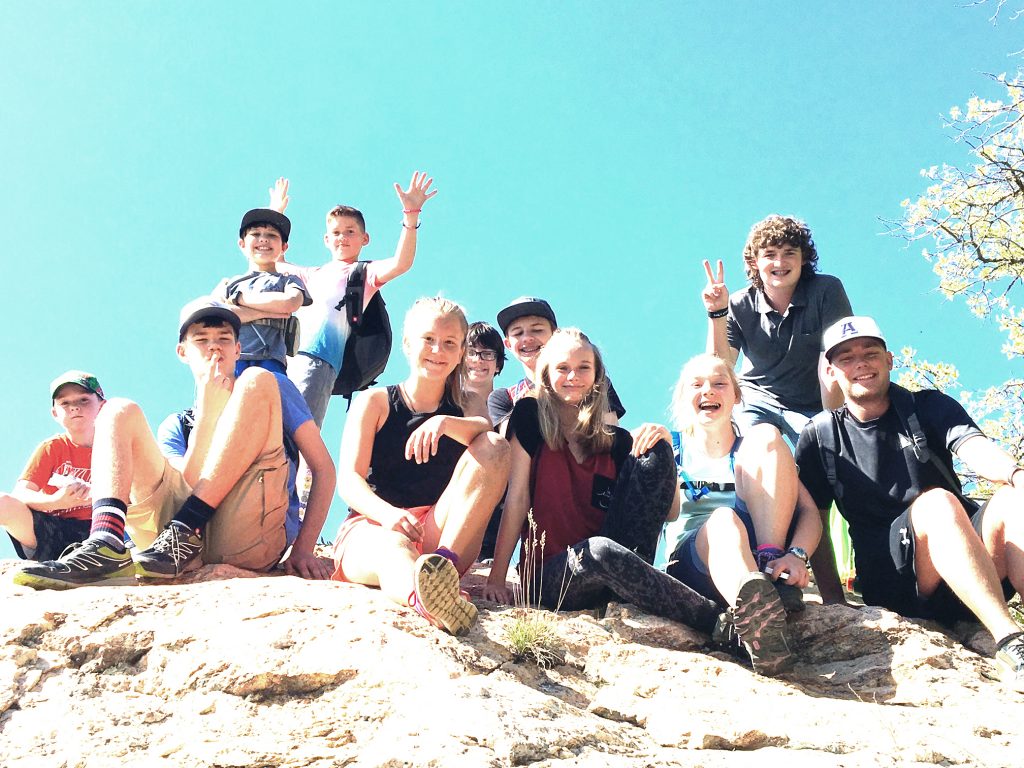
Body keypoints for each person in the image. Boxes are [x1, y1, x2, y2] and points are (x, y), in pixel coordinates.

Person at [13, 298, 336, 589]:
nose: (214, 347)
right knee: (118, 409)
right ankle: (106, 542)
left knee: (257, 378)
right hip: (173, 547)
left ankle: (184, 529)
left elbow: (322, 467)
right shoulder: (178, 424)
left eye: (224, 339)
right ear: (182, 352)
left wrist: (304, 548)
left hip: (247, 536)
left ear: (238, 349)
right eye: (201, 340)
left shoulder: (270, 388)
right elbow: (187, 485)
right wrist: (207, 414)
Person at [795, 316, 1024, 689]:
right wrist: (833, 599)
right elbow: (813, 517)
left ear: (889, 360)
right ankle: (1011, 644)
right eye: (847, 358)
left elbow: (974, 448)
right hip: (897, 582)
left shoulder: (927, 407)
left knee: (1015, 499)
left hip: (971, 564)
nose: (861, 364)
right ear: (831, 372)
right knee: (938, 504)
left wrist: (1017, 475)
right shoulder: (820, 437)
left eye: (870, 353)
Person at [482, 329, 721, 640]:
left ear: (597, 376)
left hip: (619, 567)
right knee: (599, 551)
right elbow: (517, 498)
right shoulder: (530, 417)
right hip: (553, 577)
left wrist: (664, 444)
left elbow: (671, 513)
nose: (573, 376)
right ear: (546, 374)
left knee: (655, 448)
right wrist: (497, 577)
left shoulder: (616, 443)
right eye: (563, 368)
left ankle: (635, 590)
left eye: (583, 367)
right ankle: (718, 622)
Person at [632, 354, 823, 675]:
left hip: (760, 558)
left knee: (767, 434)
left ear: (736, 396)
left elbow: (808, 513)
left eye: (719, 383)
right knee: (724, 521)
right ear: (682, 398)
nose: (708, 390)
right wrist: (659, 457)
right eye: (696, 385)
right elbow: (660, 514)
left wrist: (796, 555)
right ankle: (757, 623)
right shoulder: (672, 447)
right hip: (694, 564)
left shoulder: (758, 450)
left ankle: (768, 579)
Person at [331, 297, 510, 635]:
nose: (438, 350)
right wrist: (388, 515)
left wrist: (444, 422)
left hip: (441, 536)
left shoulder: (468, 404)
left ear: (461, 352)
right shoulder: (375, 402)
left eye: (450, 343)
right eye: (428, 339)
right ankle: (426, 599)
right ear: (407, 343)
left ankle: (442, 571)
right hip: (373, 527)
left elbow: (490, 444)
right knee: (394, 548)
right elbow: (350, 481)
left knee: (495, 446)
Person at [269, 173, 437, 427]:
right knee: (273, 427)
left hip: (320, 360)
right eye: (336, 232)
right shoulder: (311, 275)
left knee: (299, 430)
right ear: (327, 240)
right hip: (287, 359)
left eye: (350, 232)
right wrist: (276, 213)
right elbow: (274, 262)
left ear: (364, 239)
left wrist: (411, 216)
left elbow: (401, 263)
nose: (342, 237)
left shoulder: (362, 274)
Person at [702, 214, 852, 444]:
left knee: (823, 454)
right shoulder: (739, 304)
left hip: (812, 403)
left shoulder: (826, 290)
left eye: (789, 253)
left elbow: (834, 363)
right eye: (770, 255)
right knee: (757, 446)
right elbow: (719, 368)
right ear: (755, 262)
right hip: (756, 398)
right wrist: (717, 312)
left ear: (803, 258)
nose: (780, 263)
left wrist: (831, 425)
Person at [1, 371, 106, 562]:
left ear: (102, 406)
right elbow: (21, 493)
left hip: (104, 529)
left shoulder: (116, 447)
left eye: (83, 400)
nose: (74, 407)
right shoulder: (52, 448)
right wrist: (57, 502)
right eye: (64, 403)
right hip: (53, 531)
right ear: (55, 413)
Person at [486, 297, 626, 433]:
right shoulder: (506, 398)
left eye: (537, 330)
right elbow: (508, 443)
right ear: (508, 345)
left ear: (555, 335)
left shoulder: (595, 382)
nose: (527, 338)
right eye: (518, 333)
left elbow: (612, 434)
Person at [216, 208, 311, 376]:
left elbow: (290, 302)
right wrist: (269, 312)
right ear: (242, 244)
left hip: (271, 360)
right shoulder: (229, 284)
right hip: (232, 360)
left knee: (274, 392)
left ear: (284, 247)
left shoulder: (288, 281)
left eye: (272, 235)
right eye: (255, 234)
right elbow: (218, 315)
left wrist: (240, 299)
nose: (264, 239)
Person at [462, 321, 505, 421]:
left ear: (498, 364)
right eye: (470, 352)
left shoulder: (507, 409)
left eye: (487, 354)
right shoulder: (443, 404)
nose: (478, 360)